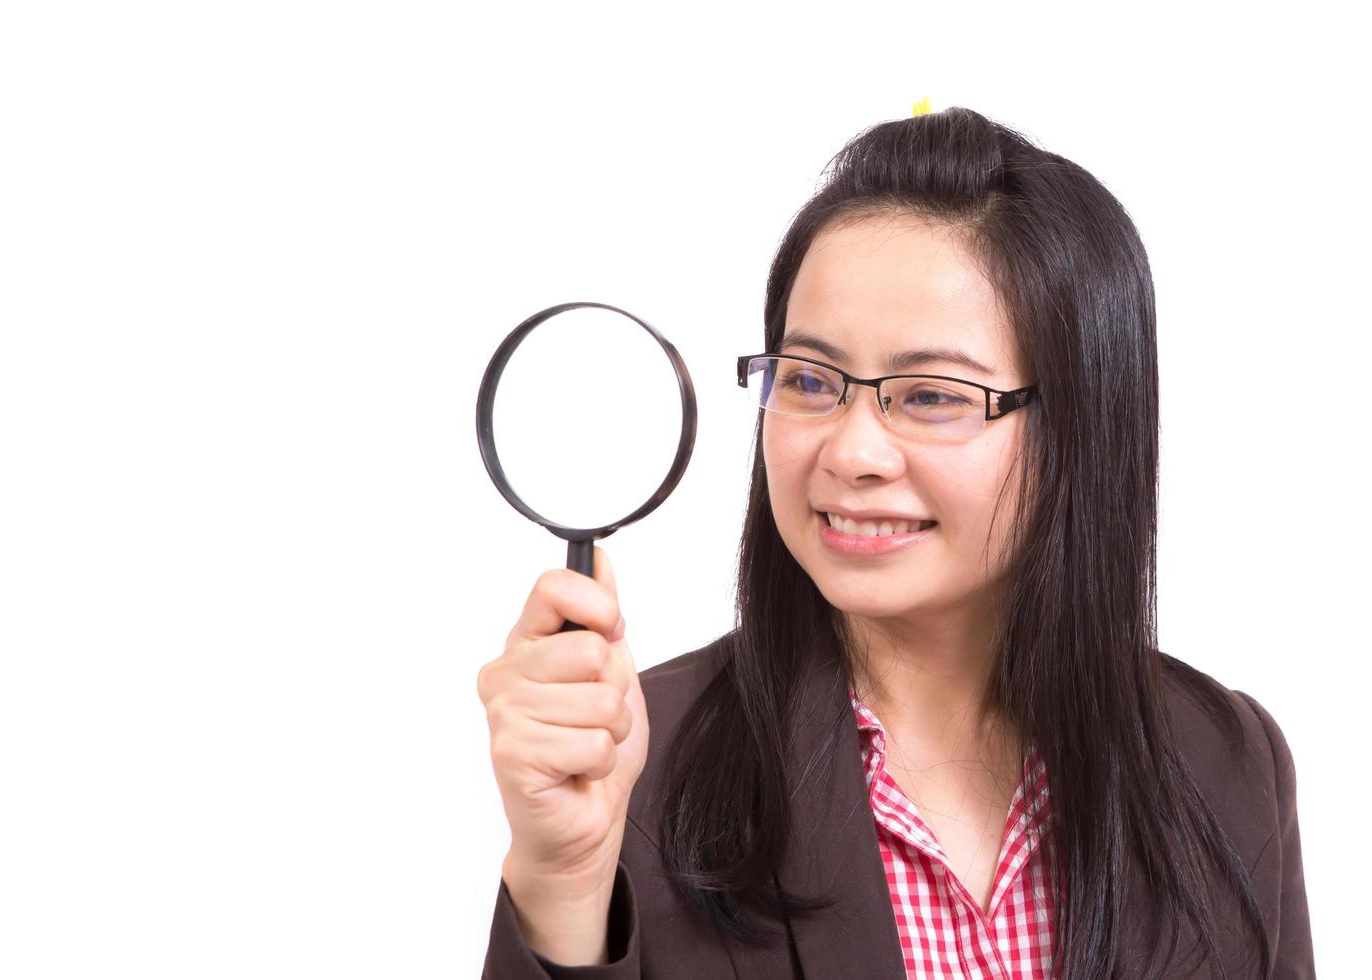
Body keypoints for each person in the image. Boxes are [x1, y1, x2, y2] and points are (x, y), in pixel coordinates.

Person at [477, 106, 1314, 979]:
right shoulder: (633, 762)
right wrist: (564, 884)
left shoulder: (1226, 762)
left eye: (931, 395)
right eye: (808, 380)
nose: (852, 452)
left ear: (1081, 423)